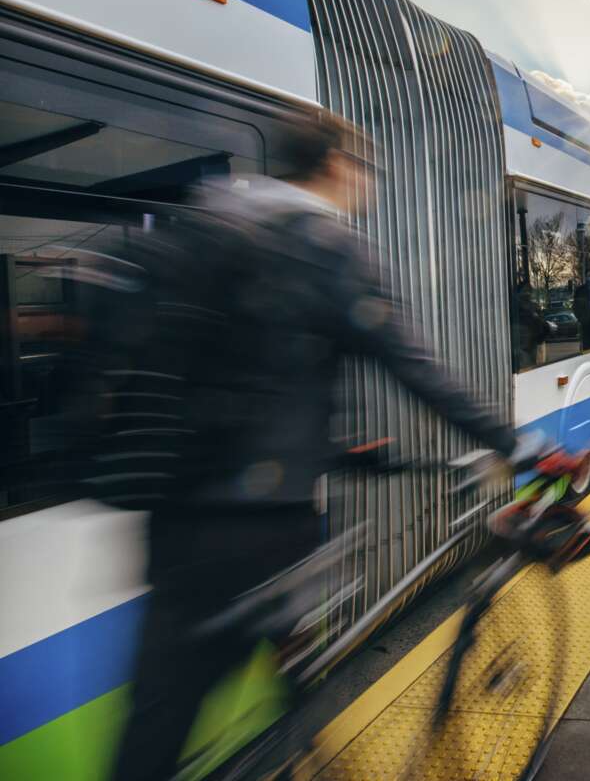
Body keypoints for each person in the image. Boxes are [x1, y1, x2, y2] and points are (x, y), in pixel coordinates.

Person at [94, 112, 538, 781]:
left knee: (156, 726)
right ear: (335, 165)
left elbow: (233, 386)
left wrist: (337, 451)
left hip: (173, 524)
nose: (369, 185)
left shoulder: (207, 228)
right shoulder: (323, 245)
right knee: (301, 687)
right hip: (265, 534)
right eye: (365, 169)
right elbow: (419, 370)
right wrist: (519, 444)